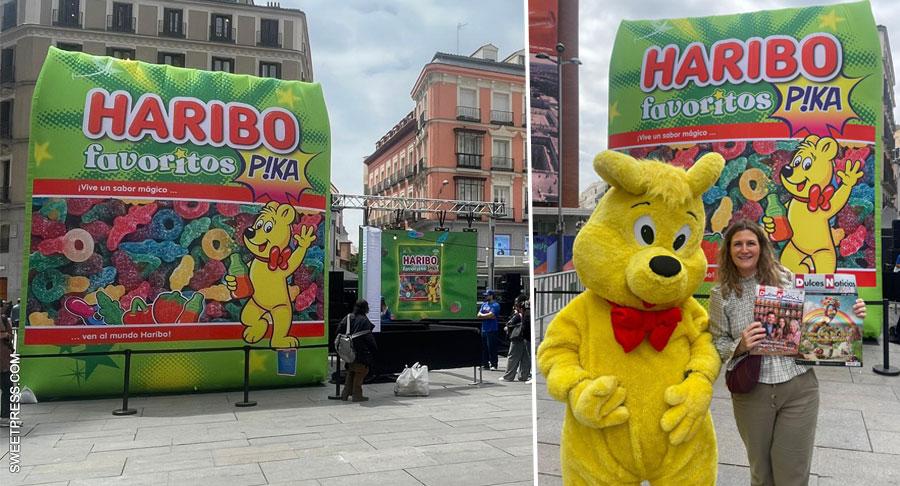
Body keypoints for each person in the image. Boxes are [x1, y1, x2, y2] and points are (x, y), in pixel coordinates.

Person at [709, 219, 866, 486]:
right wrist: (741, 345)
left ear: (761, 247)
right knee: (761, 473)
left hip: (798, 388)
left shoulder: (786, 279)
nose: (744, 249)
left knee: (792, 474)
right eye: (737, 244)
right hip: (751, 392)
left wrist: (851, 312)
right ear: (728, 250)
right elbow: (717, 343)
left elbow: (817, 318)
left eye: (751, 243)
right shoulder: (720, 294)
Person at [340, 300, 377, 402]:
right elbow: (369, 338)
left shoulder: (348, 317)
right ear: (366, 308)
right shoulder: (364, 320)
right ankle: (357, 395)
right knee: (361, 371)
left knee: (351, 370)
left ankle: (345, 393)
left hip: (348, 351)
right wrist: (374, 349)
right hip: (361, 351)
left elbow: (339, 330)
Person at [499, 295, 530, 383]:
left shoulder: (518, 314)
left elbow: (509, 324)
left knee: (512, 357)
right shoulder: (528, 312)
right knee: (525, 358)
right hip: (526, 337)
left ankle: (508, 376)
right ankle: (523, 376)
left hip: (517, 338)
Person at [477, 289, 501, 370]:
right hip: (484, 329)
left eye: (487, 295)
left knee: (492, 347)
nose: (486, 296)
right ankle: (485, 364)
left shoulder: (495, 305)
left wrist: (484, 315)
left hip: (492, 329)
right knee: (484, 347)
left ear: (491, 296)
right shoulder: (484, 304)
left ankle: (494, 364)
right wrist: (486, 316)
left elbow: (492, 315)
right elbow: (478, 315)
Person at [0, 303, 13, 427]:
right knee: (7, 388)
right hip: (3, 363)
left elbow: (10, 335)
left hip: (4, 362)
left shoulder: (4, 319)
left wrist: (8, 336)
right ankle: (5, 416)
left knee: (8, 388)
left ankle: (5, 416)